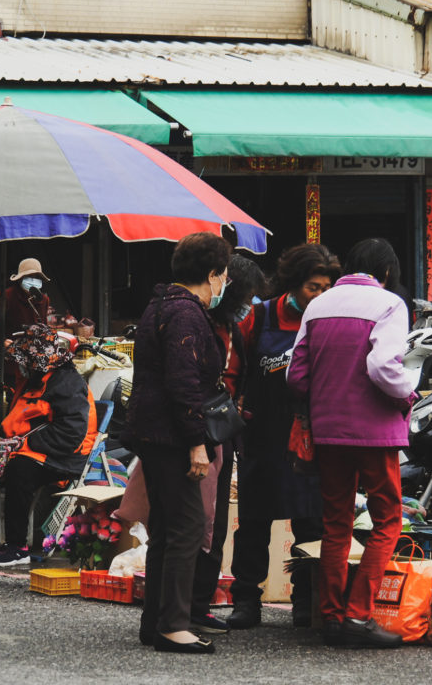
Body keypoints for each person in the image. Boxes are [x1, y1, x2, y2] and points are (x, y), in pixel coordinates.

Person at [286, 237, 416, 649]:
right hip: (375, 432)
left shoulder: (319, 305)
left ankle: (331, 618)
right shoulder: (390, 304)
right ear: (388, 272)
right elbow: (383, 366)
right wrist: (406, 395)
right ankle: (359, 616)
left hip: (328, 431)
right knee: (386, 522)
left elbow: (296, 376)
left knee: (336, 524)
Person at [121, 231, 231, 654]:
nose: (224, 285)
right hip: (171, 434)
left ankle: (157, 622)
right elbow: (183, 383)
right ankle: (174, 625)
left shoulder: (161, 304)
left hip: (153, 432)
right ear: (211, 274)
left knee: (166, 530)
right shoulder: (186, 313)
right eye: (223, 276)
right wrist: (196, 442)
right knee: (185, 529)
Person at [227, 242, 341, 630]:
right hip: (263, 435)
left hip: (313, 435)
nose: (321, 296)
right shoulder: (258, 318)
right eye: (313, 287)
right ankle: (246, 600)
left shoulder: (330, 321)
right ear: (292, 285)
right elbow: (233, 372)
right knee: (254, 522)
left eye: (327, 288)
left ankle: (305, 602)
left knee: (311, 522)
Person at [189, 254, 267, 635]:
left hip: (221, 433)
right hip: (199, 435)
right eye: (246, 298)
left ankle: (198, 606)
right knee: (196, 525)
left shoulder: (234, 328)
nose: (249, 308)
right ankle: (181, 610)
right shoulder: (199, 323)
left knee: (214, 525)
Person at [0, 323, 98, 568]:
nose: (21, 365)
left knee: (20, 469)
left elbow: (71, 435)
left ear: (38, 360)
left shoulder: (66, 383)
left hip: (67, 455)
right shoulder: (36, 379)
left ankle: (18, 547)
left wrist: (23, 444)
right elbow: (19, 417)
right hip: (38, 448)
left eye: (25, 359)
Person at [0, 257, 51, 355]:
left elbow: (43, 325)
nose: (33, 280)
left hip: (35, 354)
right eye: (29, 276)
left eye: (36, 277)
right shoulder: (8, 296)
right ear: (21, 278)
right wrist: (1, 340)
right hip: (11, 353)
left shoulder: (43, 300)